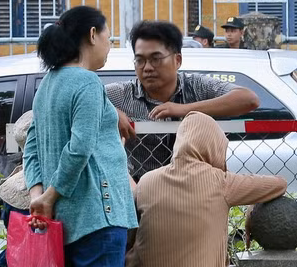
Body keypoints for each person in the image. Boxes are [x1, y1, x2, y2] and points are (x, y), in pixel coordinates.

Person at [23, 6, 140, 267]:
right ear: (92, 35)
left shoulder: (48, 85)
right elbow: (80, 147)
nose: (111, 46)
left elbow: (32, 147)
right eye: (109, 37)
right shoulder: (88, 83)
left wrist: (41, 194)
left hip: (61, 220)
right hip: (97, 212)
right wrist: (52, 195)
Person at [126, 112, 286, 267]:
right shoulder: (221, 182)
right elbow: (280, 184)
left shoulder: (146, 181)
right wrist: (252, 208)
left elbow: (131, 237)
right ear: (213, 145)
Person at [105, 20, 260, 181]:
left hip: (193, 190)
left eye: (156, 59)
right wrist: (111, 111)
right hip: (140, 192)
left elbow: (248, 99)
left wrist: (183, 109)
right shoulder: (123, 94)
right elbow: (82, 97)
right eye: (140, 60)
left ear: (177, 60)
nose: (147, 67)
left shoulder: (196, 86)